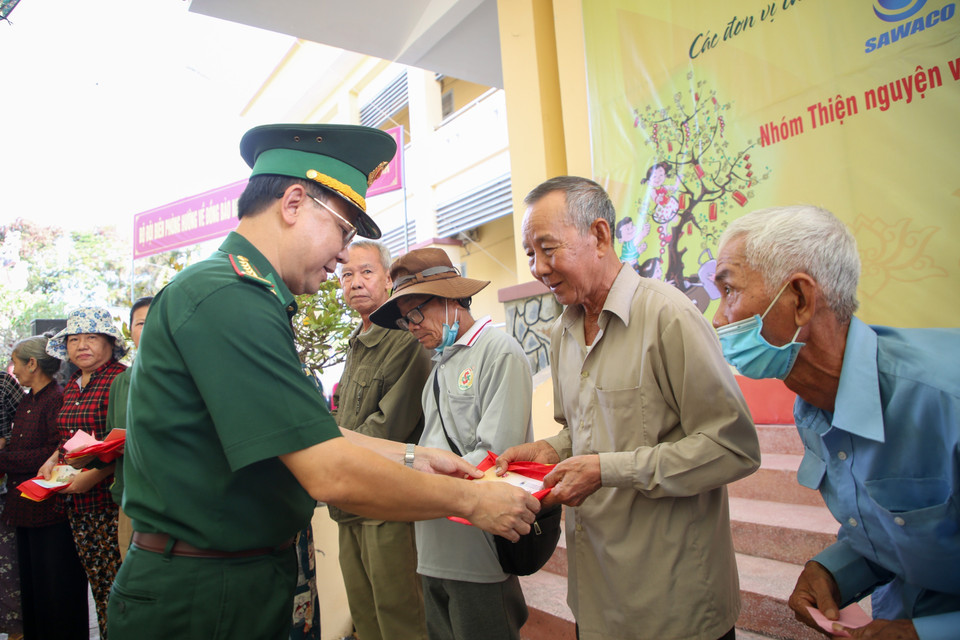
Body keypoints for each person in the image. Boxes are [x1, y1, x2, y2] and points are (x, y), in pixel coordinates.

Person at [108, 123, 539, 640]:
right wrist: (471, 502)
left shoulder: (241, 295)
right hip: (205, 590)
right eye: (344, 231)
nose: (342, 258)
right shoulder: (229, 298)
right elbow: (327, 470)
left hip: (228, 577)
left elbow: (307, 433)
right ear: (294, 202)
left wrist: (415, 457)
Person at [501, 175, 761, 640]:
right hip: (596, 599)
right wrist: (549, 450)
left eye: (548, 248)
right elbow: (580, 432)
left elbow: (732, 447)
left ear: (599, 236)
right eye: (529, 254)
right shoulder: (563, 331)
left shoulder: (669, 317)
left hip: (672, 603)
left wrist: (608, 470)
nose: (538, 268)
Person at [711, 205, 960, 640]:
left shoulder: (945, 400)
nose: (717, 317)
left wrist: (930, 632)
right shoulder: (812, 407)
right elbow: (905, 530)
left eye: (728, 290)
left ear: (801, 299)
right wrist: (834, 570)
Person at [370, 247, 535, 640]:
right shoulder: (438, 367)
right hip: (432, 548)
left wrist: (412, 473)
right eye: (403, 318)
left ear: (450, 298)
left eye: (416, 312)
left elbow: (498, 458)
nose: (410, 326)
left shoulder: (499, 352)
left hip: (478, 550)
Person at [330, 240, 433, 640]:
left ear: (389, 279)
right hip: (347, 502)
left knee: (400, 619)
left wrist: (328, 449)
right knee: (365, 616)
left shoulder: (405, 340)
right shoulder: (357, 341)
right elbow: (344, 415)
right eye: (346, 274)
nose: (356, 282)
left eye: (367, 272)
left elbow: (386, 428)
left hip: (387, 504)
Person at [41, 306, 127, 638]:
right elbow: (72, 435)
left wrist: (89, 478)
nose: (81, 345)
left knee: (118, 589)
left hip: (111, 505)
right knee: (99, 586)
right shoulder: (75, 383)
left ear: (109, 342)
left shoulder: (119, 379)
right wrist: (53, 458)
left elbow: (126, 439)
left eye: (91, 337)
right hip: (78, 507)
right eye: (74, 339)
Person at [1, 335, 89, 639]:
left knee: (55, 590)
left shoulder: (57, 397)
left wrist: (3, 460)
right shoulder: (28, 398)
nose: (13, 369)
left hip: (49, 509)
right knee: (33, 590)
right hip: (24, 506)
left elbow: (52, 451)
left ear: (33, 364)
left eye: (15, 362)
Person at [105, 295, 152, 560]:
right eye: (140, 323)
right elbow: (113, 436)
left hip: (177, 497)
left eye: (155, 321)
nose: (147, 329)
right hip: (131, 496)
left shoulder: (188, 375)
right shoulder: (120, 383)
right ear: (130, 329)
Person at [0, 369, 24, 636]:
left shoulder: (4, 382)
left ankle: (16, 628)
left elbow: (25, 425)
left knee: (7, 563)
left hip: (5, 484)